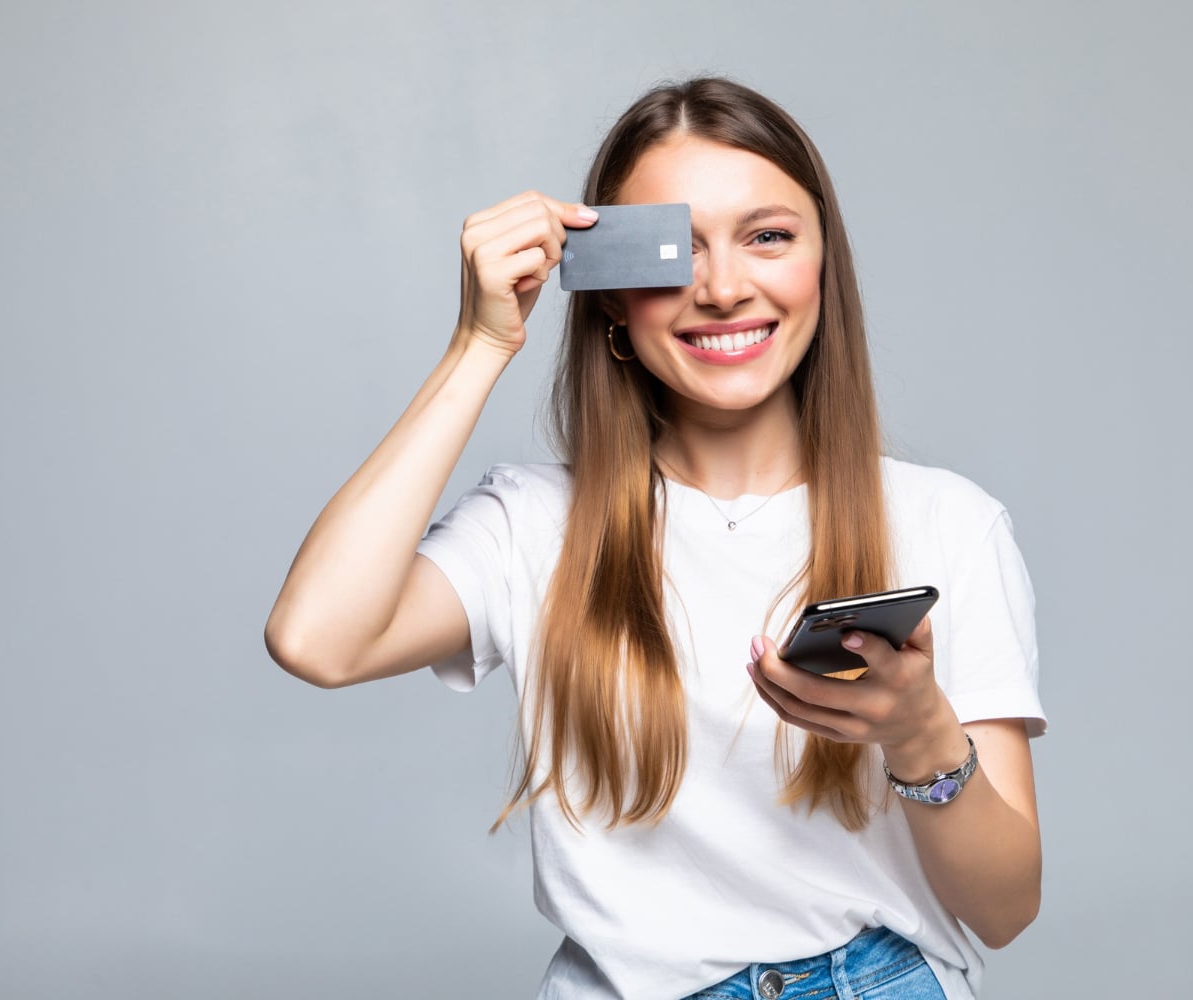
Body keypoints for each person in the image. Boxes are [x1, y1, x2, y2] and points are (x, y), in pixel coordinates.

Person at [264, 77, 1045, 1000]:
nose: (721, 288)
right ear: (608, 295)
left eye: (768, 237)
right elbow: (315, 639)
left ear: (823, 269)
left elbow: (1003, 910)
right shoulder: (532, 526)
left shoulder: (945, 522)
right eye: (676, 249)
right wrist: (478, 343)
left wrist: (922, 737)